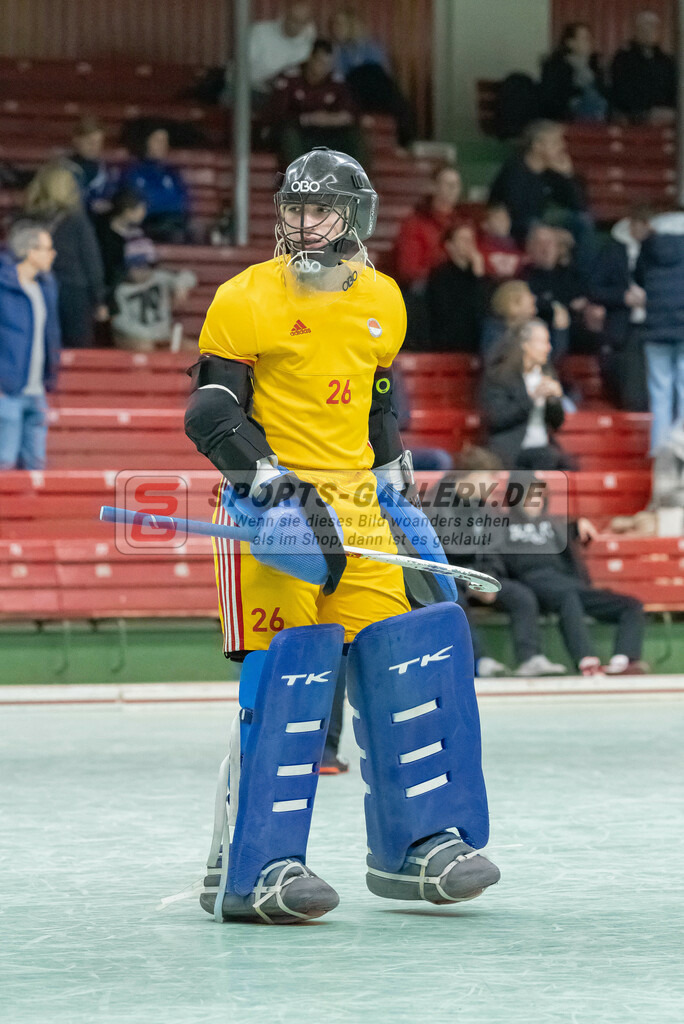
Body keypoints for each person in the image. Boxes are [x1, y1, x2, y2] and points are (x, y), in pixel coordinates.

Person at [184, 146, 500, 923]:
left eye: (320, 210)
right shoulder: (243, 298)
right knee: (284, 686)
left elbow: (376, 409)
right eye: (293, 209)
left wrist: (404, 504)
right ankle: (251, 867)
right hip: (270, 515)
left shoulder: (384, 300)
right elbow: (212, 411)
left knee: (403, 667)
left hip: (359, 510)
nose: (303, 224)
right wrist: (276, 490)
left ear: (355, 217)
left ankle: (414, 848)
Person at [434, 448, 567, 678]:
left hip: (478, 577)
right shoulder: (435, 504)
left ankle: (530, 658)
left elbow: (492, 552)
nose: (494, 484)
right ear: (472, 475)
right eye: (490, 477)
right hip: (447, 578)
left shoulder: (485, 509)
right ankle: (478, 661)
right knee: (455, 599)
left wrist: (487, 579)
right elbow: (434, 556)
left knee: (522, 596)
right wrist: (467, 583)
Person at [502, 494, 647, 676]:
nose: (534, 502)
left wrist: (578, 523)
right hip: (535, 585)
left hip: (572, 585)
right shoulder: (503, 526)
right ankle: (586, 660)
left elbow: (570, 529)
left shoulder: (553, 524)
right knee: (567, 598)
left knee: (631, 605)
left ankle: (623, 661)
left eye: (538, 497)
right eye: (528, 497)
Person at [24, 162, 107, 349]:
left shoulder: (28, 220)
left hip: (38, 286)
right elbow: (91, 260)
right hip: (74, 292)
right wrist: (99, 298)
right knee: (77, 348)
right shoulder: (77, 219)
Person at [0, 222, 60, 470]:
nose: (52, 254)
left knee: (36, 465)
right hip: (7, 390)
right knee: (5, 462)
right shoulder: (4, 287)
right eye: (47, 249)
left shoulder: (45, 287)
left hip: (36, 389)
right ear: (30, 251)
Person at [488, 120, 592, 260]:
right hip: (514, 227)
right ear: (537, 146)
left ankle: (584, 272)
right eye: (555, 142)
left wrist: (567, 176)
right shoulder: (515, 170)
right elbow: (517, 214)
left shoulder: (551, 172)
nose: (562, 147)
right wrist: (551, 233)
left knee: (582, 220)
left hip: (539, 223)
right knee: (537, 227)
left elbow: (579, 206)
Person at [481, 319, 573, 470]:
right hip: (511, 449)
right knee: (545, 457)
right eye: (544, 342)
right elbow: (497, 418)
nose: (549, 348)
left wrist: (554, 400)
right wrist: (532, 398)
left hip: (542, 447)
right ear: (525, 344)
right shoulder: (500, 376)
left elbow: (557, 422)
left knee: (567, 465)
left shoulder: (547, 374)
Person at [587, 207, 651, 410]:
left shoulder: (656, 250)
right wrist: (623, 298)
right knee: (633, 389)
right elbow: (594, 289)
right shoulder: (611, 251)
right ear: (633, 224)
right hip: (624, 332)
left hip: (652, 327)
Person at [394, 165, 466, 345]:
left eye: (456, 184)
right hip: (427, 289)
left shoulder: (464, 223)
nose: (453, 189)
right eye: (447, 184)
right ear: (434, 186)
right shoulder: (415, 223)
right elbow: (408, 270)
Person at [269, 39, 364, 169]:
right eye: (320, 62)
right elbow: (276, 114)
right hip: (299, 132)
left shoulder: (336, 81)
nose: (324, 68)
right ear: (311, 58)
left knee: (354, 135)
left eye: (328, 64)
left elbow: (351, 112)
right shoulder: (290, 78)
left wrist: (332, 119)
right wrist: (307, 119)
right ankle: (299, 178)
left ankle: (359, 178)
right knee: (288, 134)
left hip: (326, 132)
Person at [329, 7, 415, 148]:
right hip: (351, 91)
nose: (336, 28)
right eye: (334, 24)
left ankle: (405, 137)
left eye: (341, 24)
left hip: (375, 90)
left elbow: (383, 73)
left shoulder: (370, 47)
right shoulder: (334, 50)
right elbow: (338, 77)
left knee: (375, 75)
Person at [634, 211, 684, 453]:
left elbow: (639, 278)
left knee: (659, 392)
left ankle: (658, 450)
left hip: (655, 328)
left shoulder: (648, 248)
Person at [111, 238, 197, 351]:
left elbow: (188, 276)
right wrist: (148, 335)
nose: (143, 270)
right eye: (137, 266)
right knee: (145, 347)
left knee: (193, 349)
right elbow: (120, 321)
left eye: (147, 265)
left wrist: (181, 286)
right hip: (138, 338)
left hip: (165, 336)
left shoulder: (161, 278)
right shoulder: (122, 290)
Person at [523, 224, 588, 360]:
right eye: (540, 243)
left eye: (550, 242)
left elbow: (582, 300)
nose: (545, 248)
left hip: (573, 331)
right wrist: (558, 307)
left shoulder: (571, 274)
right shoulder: (524, 275)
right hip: (538, 331)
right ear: (530, 247)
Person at [120, 127, 190, 243]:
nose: (163, 145)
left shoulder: (171, 172)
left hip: (172, 223)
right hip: (146, 225)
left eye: (165, 141)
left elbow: (182, 201)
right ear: (146, 142)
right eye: (158, 140)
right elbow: (135, 203)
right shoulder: (133, 171)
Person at [426, 222, 486, 352]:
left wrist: (479, 275)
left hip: (477, 340)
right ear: (450, 246)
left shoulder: (478, 273)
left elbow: (484, 307)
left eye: (471, 239)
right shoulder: (440, 275)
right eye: (463, 239)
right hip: (449, 341)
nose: (469, 243)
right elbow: (447, 312)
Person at [611, 10, 677, 125]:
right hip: (633, 117)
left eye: (653, 28)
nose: (650, 32)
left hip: (666, 116)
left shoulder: (666, 61)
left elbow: (674, 89)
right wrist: (645, 112)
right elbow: (621, 91)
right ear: (637, 31)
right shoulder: (624, 58)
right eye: (645, 27)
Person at [246, 0, 316, 104]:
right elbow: (243, 66)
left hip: (279, 93)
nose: (293, 24)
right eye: (291, 18)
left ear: (307, 23)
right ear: (284, 15)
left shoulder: (308, 42)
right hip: (245, 87)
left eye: (299, 21)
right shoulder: (259, 32)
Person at [540, 22, 608, 123]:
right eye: (585, 39)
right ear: (570, 43)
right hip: (567, 117)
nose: (589, 42)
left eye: (590, 38)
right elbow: (553, 98)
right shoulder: (556, 66)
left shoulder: (594, 66)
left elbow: (604, 92)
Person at [94, 187, 149, 309]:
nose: (144, 212)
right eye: (141, 208)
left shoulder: (138, 234)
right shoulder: (102, 235)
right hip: (111, 295)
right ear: (127, 211)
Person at [64, 117, 119, 217]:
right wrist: (89, 204)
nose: (94, 147)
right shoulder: (64, 168)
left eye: (99, 142)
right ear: (76, 140)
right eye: (89, 142)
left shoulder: (104, 168)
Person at [480, 279, 537, 360]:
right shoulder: (493, 328)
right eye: (529, 294)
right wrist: (516, 328)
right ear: (513, 304)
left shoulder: (535, 327)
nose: (533, 298)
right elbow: (495, 359)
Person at [477, 203, 525, 282]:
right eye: (498, 218)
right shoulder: (479, 249)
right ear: (485, 225)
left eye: (506, 217)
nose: (504, 221)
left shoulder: (520, 248)